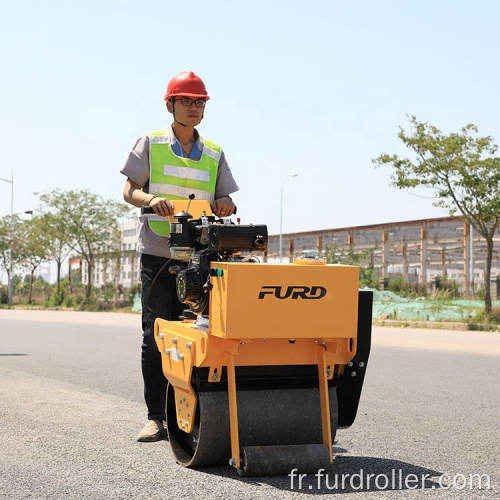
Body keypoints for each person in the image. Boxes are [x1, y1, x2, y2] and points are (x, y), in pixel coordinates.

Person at [121, 71, 238, 442]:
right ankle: (157, 417)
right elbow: (129, 189)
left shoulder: (215, 153)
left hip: (201, 258)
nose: (193, 107)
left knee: (203, 332)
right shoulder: (150, 143)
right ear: (169, 104)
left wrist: (224, 204)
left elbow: (227, 199)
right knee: (156, 334)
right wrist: (151, 200)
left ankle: (198, 413)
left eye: (199, 101)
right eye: (186, 101)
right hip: (159, 254)